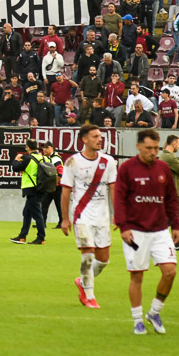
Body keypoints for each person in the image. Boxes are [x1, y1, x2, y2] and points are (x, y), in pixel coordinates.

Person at [114, 128, 179, 335]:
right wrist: (123, 226)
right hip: (136, 233)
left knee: (170, 272)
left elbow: (171, 198)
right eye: (148, 148)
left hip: (160, 230)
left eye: (155, 148)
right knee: (137, 277)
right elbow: (119, 199)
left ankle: (154, 312)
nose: (153, 152)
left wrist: (176, 225)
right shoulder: (126, 169)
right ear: (138, 147)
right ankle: (137, 321)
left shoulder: (162, 168)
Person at [59, 123, 117, 310]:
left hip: (103, 217)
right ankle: (89, 296)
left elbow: (114, 189)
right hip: (81, 216)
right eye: (95, 136)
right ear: (84, 139)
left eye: (100, 136)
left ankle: (82, 281)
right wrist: (65, 218)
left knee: (103, 260)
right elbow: (66, 191)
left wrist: (117, 214)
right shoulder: (72, 162)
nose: (100, 139)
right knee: (88, 256)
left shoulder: (109, 162)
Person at [10, 140, 51, 244]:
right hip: (43, 187)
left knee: (37, 213)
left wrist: (16, 159)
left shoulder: (29, 159)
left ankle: (41, 237)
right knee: (27, 212)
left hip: (31, 188)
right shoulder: (44, 158)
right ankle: (22, 236)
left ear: (28, 147)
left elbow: (16, 168)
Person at [159, 135, 179, 251]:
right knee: (173, 219)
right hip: (174, 193)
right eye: (178, 144)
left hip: (167, 192)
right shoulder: (171, 158)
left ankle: (178, 243)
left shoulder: (163, 156)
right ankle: (176, 244)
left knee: (175, 218)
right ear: (173, 144)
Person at [37, 140, 66, 227]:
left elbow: (61, 172)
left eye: (46, 148)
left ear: (51, 148)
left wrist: (55, 184)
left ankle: (61, 222)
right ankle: (42, 223)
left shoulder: (56, 159)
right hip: (50, 186)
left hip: (57, 186)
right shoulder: (47, 158)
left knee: (58, 205)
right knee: (44, 205)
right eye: (43, 148)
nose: (44, 150)